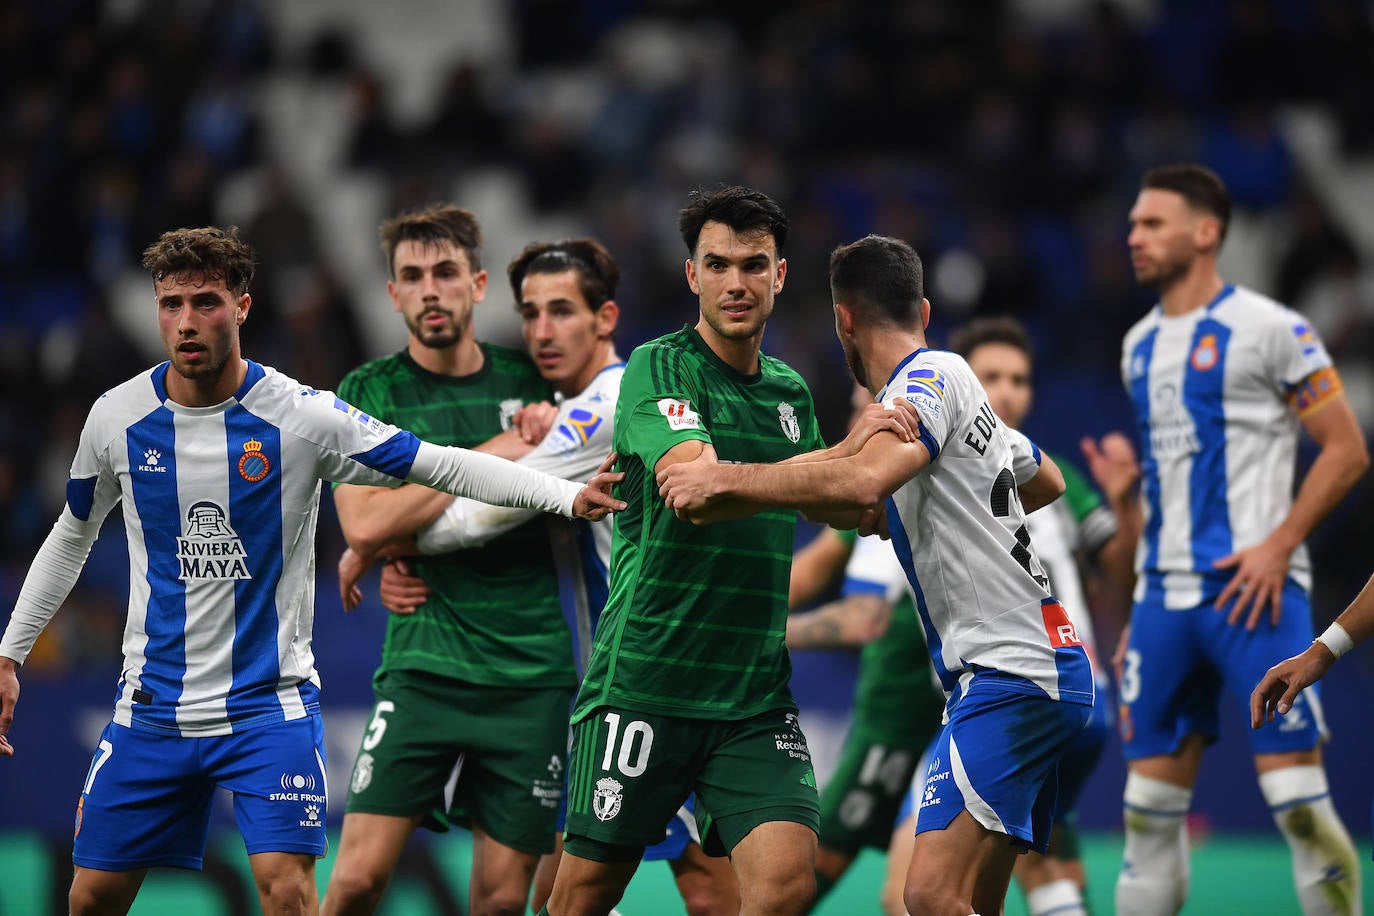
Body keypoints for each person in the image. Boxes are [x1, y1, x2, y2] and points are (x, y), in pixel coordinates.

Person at [0, 226, 621, 916]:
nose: (185, 322)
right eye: (170, 304)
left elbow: (444, 463)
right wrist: (9, 653)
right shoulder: (115, 418)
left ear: (241, 306)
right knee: (88, 900)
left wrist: (566, 495)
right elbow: (70, 535)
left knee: (290, 895)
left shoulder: (301, 415)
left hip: (270, 709)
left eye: (205, 302)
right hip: (151, 709)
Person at [657, 233, 1092, 916]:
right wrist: (926, 505)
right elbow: (1050, 480)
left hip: (1009, 672)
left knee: (925, 894)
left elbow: (858, 481)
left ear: (844, 320)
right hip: (1044, 666)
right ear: (920, 305)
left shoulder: (923, 384)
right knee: (979, 898)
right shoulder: (962, 385)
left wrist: (722, 478)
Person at [346, 236, 741, 915]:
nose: (541, 332)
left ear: (606, 319)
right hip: (642, 674)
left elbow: (479, 515)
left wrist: (382, 542)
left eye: (561, 311)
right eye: (530, 313)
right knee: (583, 885)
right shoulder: (601, 400)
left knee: (683, 885)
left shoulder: (603, 405)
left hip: (650, 678)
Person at [543, 186, 910, 916]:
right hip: (646, 682)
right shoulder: (659, 367)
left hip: (751, 697)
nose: (735, 283)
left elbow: (828, 502)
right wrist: (836, 462)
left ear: (779, 275)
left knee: (784, 887)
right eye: (717, 265)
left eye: (753, 265)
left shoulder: (789, 392)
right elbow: (694, 488)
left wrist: (864, 475)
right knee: (581, 898)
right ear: (692, 276)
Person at [320, 209, 620, 916]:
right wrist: (501, 450)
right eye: (413, 277)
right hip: (425, 668)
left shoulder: (542, 383)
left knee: (498, 899)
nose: (431, 291)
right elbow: (362, 526)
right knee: (357, 880)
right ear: (392, 294)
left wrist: (399, 529)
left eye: (446, 273)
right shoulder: (370, 392)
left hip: (533, 676)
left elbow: (577, 485)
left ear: (477, 284)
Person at [1113, 163, 1368, 916]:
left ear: (1206, 232)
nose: (1134, 236)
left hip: (1254, 596)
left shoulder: (1274, 329)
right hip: (1162, 602)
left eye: (1152, 223)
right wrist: (1135, 607)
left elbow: (1347, 449)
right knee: (1145, 818)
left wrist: (1279, 542)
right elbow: (1170, 486)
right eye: (1132, 223)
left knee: (1297, 806)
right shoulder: (1136, 346)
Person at [784, 384, 946, 913]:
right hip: (913, 710)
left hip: (936, 713)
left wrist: (757, 631)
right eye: (855, 409)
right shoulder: (878, 498)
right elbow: (813, 566)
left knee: (911, 893)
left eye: (870, 409)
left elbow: (862, 619)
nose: (859, 421)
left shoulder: (908, 491)